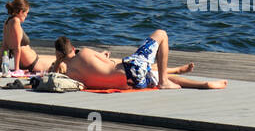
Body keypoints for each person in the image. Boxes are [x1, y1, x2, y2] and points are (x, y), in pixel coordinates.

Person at [51, 31, 226, 90]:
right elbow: (110, 65)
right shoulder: (85, 52)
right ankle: (165, 81)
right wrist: (103, 57)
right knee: (161, 34)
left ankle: (202, 85)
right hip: (129, 70)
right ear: (73, 48)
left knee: (153, 75)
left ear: (59, 55)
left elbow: (53, 74)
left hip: (130, 83)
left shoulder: (70, 75)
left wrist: (58, 63)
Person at [2, 0, 53, 74]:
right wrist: (17, 69)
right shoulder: (16, 21)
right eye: (26, 13)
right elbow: (17, 47)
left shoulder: (8, 21)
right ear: (21, 12)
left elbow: (4, 46)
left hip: (31, 60)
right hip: (32, 63)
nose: (26, 16)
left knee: (55, 58)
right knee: (62, 61)